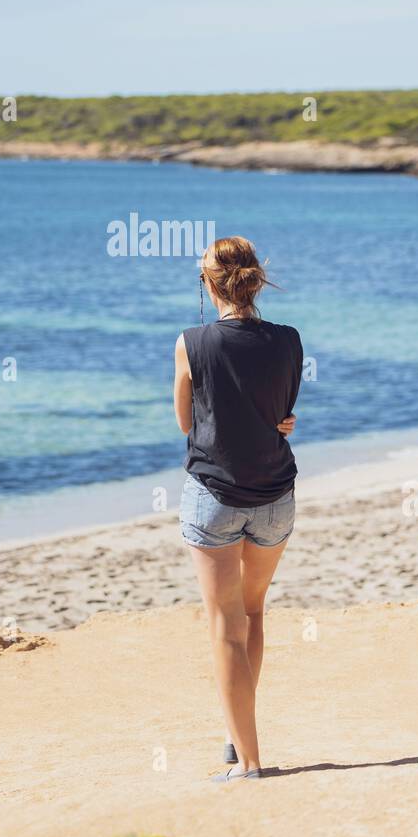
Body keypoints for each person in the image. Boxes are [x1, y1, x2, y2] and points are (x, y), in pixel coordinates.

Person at [173, 235, 303, 782]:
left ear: (209, 285)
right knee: (252, 614)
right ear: (255, 280)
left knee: (225, 626)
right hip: (274, 497)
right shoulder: (289, 340)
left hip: (215, 497)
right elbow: (282, 415)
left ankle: (247, 762)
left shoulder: (192, 343)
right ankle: (237, 733)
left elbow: (185, 422)